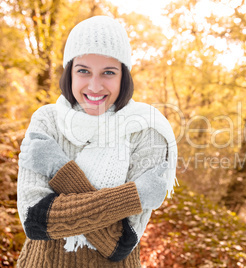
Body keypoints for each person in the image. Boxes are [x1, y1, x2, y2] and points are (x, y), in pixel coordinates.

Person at [17, 16, 178, 267]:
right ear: (69, 72)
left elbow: (120, 242)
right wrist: (134, 195)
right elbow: (34, 221)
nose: (94, 86)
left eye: (108, 73)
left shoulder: (147, 131)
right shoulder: (47, 120)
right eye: (83, 70)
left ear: (123, 77)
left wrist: (58, 168)